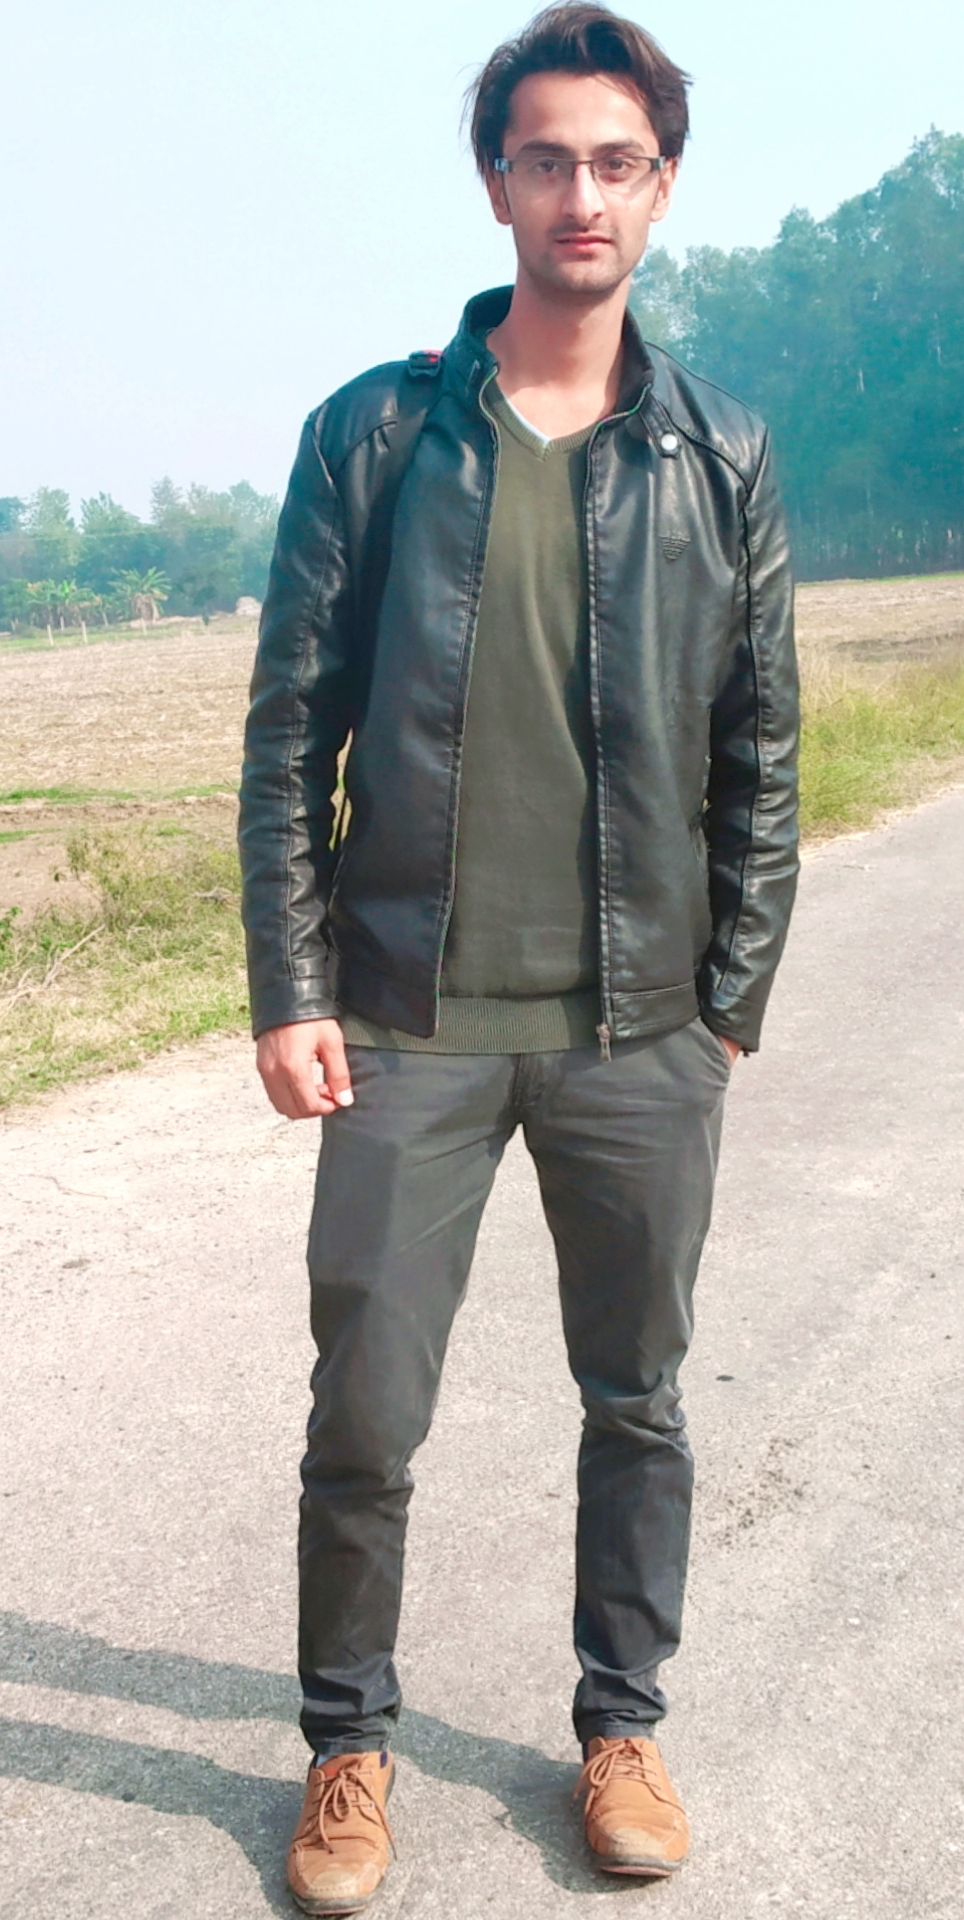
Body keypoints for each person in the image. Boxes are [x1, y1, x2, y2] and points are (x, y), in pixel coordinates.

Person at [239, 3, 799, 1910]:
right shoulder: (379, 433)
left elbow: (763, 744)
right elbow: (291, 731)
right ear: (496, 183)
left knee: (637, 1398)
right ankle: (348, 1749)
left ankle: (621, 1724)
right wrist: (291, 989)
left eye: (616, 161)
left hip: (642, 1029)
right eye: (546, 157)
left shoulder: (720, 448)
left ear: (663, 187)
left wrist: (729, 1003)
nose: (582, 193)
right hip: (406, 1018)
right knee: (365, 1415)